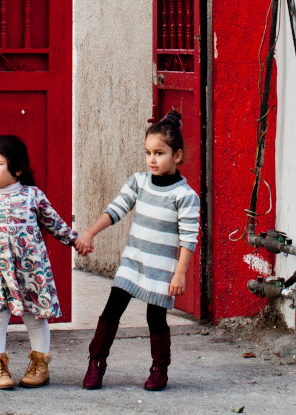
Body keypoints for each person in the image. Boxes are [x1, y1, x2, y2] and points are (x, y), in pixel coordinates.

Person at [73, 111, 199, 391]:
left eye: (159, 153)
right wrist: (90, 232)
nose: (152, 159)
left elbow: (189, 238)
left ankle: (159, 368)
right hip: (132, 263)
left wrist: (180, 274)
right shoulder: (139, 182)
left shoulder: (185, 196)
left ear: (177, 156)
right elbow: (116, 209)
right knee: (111, 311)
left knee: (155, 318)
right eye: (148, 153)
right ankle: (96, 362)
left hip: (161, 270)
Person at [0, 134, 83, 390]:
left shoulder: (32, 195)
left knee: (35, 316)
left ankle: (40, 365)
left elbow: (55, 223)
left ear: (17, 168)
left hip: (31, 270)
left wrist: (76, 240)